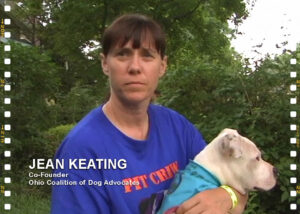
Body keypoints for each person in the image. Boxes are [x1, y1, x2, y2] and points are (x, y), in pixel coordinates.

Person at [51, 14, 247, 214]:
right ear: (105, 64)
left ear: (162, 66)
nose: (135, 67)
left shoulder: (178, 128)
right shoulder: (80, 150)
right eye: (123, 54)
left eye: (147, 55)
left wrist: (226, 196)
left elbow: (239, 189)